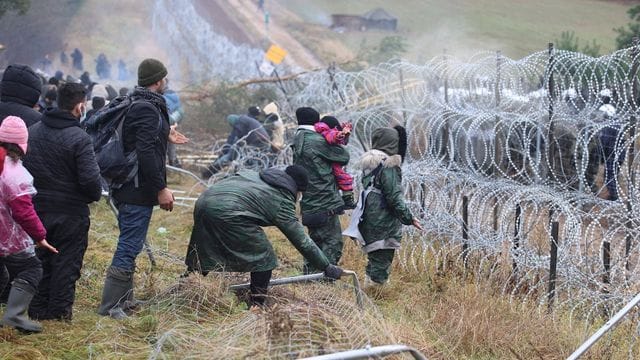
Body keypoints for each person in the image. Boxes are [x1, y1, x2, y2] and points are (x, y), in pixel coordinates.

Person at [97, 58, 187, 319]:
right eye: (165, 78)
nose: (166, 82)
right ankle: (111, 306)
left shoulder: (139, 102)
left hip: (131, 186)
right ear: (158, 80)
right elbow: (145, 151)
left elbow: (141, 139)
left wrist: (164, 133)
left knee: (132, 243)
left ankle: (125, 301)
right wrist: (161, 188)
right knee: (128, 244)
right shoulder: (147, 108)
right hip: (136, 188)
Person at [184, 165, 343, 306]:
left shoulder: (255, 175)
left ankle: (186, 285)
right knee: (265, 258)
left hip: (204, 201)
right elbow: (302, 241)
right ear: (297, 190)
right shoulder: (282, 199)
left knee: (204, 245)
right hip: (229, 212)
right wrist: (326, 266)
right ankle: (257, 304)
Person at [24, 83, 102, 321]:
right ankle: (58, 314)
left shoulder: (33, 131)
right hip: (71, 214)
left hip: (37, 210)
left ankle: (36, 310)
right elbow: (91, 181)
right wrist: (91, 196)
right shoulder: (80, 139)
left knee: (40, 261)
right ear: (80, 106)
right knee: (66, 264)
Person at [0, 116, 58, 333]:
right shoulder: (14, 174)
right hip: (6, 236)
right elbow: (24, 213)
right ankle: (14, 316)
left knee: (1, 274)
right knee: (31, 268)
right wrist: (40, 236)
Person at [348, 125, 422, 286]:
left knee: (375, 254)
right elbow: (394, 196)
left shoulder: (370, 163)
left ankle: (369, 286)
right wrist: (409, 218)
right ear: (392, 143)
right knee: (382, 256)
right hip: (382, 217)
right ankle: (377, 292)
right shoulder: (389, 165)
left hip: (368, 213)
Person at [292, 107, 349, 273]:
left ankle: (309, 278)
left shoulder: (297, 139)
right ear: (317, 122)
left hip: (308, 201)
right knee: (333, 243)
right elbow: (343, 156)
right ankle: (324, 280)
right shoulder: (317, 140)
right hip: (325, 201)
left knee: (314, 243)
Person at [202, 113, 270, 177]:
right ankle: (250, 174)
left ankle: (211, 171)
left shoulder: (240, 122)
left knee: (232, 156)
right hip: (265, 141)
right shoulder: (245, 119)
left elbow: (236, 137)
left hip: (257, 140)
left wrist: (229, 151)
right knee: (252, 157)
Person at [314, 116, 356, 209]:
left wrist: (345, 133)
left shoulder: (321, 132)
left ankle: (346, 199)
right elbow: (332, 137)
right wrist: (339, 135)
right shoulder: (329, 132)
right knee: (344, 178)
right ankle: (348, 200)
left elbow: (342, 141)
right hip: (333, 163)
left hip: (330, 162)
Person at [163, 86, 184, 167]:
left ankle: (166, 168)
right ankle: (174, 166)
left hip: (164, 127)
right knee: (172, 149)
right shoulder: (176, 99)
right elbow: (180, 113)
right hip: (173, 127)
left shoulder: (162, 98)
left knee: (164, 149)